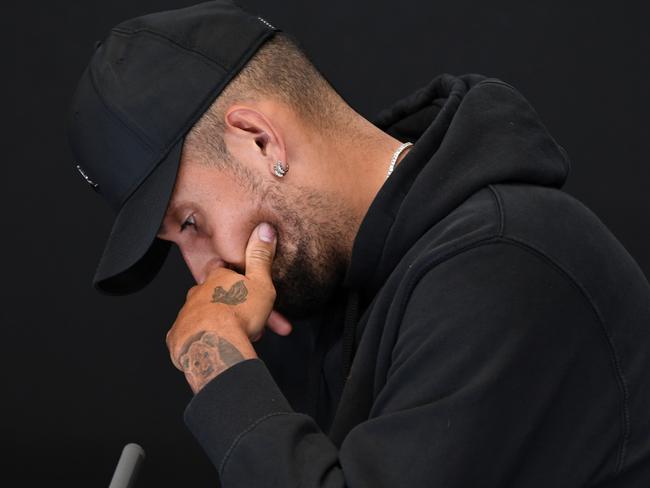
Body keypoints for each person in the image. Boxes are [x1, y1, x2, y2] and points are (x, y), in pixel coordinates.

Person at [66, 1, 650, 486]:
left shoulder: (504, 259)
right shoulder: (331, 291)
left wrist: (218, 373)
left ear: (261, 142)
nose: (202, 273)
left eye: (190, 222)